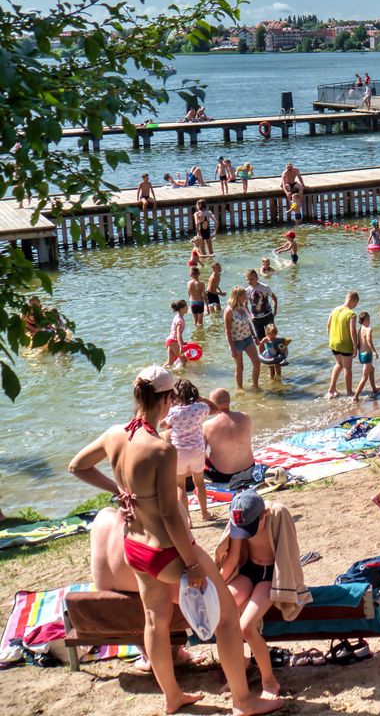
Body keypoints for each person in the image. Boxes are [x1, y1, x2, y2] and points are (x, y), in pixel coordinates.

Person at [69, 367, 283, 716]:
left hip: (134, 546)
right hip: (166, 548)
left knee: (155, 620)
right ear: (168, 399)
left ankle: (172, 697)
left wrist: (118, 491)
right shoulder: (161, 449)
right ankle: (243, 701)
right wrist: (193, 563)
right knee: (227, 619)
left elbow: (77, 466)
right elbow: (170, 516)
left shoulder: (113, 435)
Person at [216, 490, 308, 702]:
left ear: (264, 514)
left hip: (270, 577)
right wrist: (216, 589)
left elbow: (287, 559)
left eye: (249, 529)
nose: (244, 534)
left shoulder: (276, 516)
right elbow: (233, 559)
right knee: (221, 614)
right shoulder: (242, 522)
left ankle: (269, 681)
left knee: (245, 627)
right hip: (248, 571)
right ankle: (238, 671)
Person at [161, 378, 217, 521]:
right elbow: (216, 409)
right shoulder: (199, 408)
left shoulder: (173, 412)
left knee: (180, 485)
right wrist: (201, 398)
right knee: (199, 482)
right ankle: (205, 514)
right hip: (197, 450)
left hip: (179, 452)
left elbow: (162, 425)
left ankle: (188, 520)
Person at [223, 287, 262, 390]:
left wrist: (254, 337)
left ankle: (255, 386)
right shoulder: (229, 311)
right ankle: (240, 388)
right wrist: (232, 348)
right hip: (236, 342)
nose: (246, 297)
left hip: (248, 339)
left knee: (257, 363)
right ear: (237, 296)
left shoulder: (243, 306)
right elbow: (227, 330)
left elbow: (248, 322)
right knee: (240, 367)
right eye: (244, 296)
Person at [326, 291, 359, 398]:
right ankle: (349, 392)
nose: (355, 306)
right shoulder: (351, 314)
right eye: (356, 303)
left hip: (333, 342)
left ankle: (331, 390)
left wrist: (330, 338)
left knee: (339, 364)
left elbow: (328, 325)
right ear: (353, 300)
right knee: (347, 368)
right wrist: (355, 346)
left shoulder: (335, 309)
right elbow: (352, 331)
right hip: (344, 344)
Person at [353, 312, 380, 398]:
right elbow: (369, 341)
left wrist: (356, 351)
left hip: (361, 355)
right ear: (366, 320)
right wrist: (374, 351)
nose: (370, 321)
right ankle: (355, 397)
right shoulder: (368, 329)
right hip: (367, 355)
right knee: (364, 377)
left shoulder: (359, 329)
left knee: (371, 370)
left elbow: (358, 343)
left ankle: (374, 388)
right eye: (369, 319)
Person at [245, 269, 278, 341]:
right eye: (248, 280)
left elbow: (274, 298)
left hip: (268, 316)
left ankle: (274, 351)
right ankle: (263, 352)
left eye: (251, 279)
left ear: (257, 278)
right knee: (261, 340)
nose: (249, 281)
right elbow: (245, 306)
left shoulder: (264, 287)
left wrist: (275, 311)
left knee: (271, 336)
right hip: (256, 319)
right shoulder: (247, 291)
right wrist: (250, 317)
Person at [165, 300, 188, 370]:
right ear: (182, 309)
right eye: (186, 307)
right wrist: (181, 346)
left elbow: (175, 332)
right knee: (184, 360)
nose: (187, 308)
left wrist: (183, 342)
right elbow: (178, 334)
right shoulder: (180, 320)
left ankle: (159, 372)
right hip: (173, 341)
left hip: (169, 340)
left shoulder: (177, 316)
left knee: (170, 363)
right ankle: (182, 376)